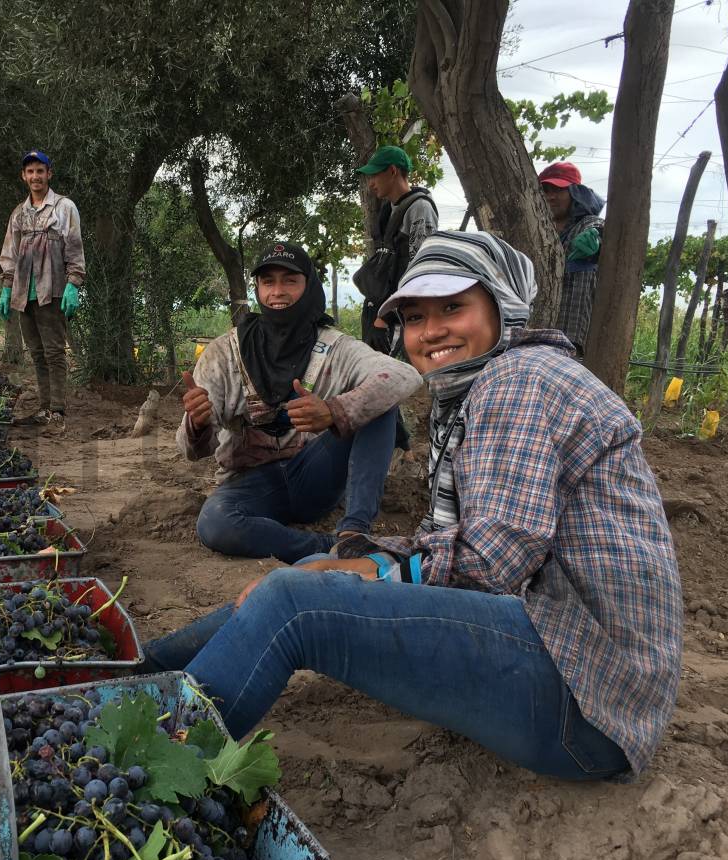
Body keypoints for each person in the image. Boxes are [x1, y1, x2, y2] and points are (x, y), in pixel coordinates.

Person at [148, 231, 683, 783]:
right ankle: (147, 667)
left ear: (502, 305)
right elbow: (457, 545)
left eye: (454, 307)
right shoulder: (483, 387)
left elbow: (491, 560)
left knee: (295, 602)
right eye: (417, 316)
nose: (432, 331)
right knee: (309, 574)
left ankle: (158, 767)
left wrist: (361, 563)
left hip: (586, 693)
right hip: (571, 667)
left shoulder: (519, 380)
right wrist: (349, 560)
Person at [180, 241, 421, 565]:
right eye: (268, 282)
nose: (277, 291)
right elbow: (193, 451)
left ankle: (354, 534)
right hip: (249, 484)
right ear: (258, 289)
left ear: (308, 286)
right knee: (215, 524)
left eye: (290, 281)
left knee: (382, 403)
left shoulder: (333, 346)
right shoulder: (225, 353)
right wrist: (195, 422)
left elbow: (404, 375)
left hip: (314, 474)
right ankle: (325, 546)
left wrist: (334, 410)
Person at [0, 149, 85, 435]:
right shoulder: (18, 214)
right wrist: (6, 289)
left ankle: (58, 413)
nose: (36, 176)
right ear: (24, 176)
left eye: (40, 171)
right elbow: (9, 253)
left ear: (49, 174)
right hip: (24, 293)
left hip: (52, 290)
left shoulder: (64, 207)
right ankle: (44, 409)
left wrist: (74, 283)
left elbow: (74, 246)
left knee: (54, 353)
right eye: (30, 171)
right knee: (36, 353)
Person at [352, 145, 438, 355]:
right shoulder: (388, 209)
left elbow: (420, 268)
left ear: (392, 171)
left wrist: (386, 317)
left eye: (375, 175)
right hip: (379, 311)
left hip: (398, 317)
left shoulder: (420, 208)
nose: (370, 184)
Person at [539, 161, 605, 355]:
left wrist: (598, 237)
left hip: (572, 338)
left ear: (575, 194)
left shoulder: (587, 225)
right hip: (536, 333)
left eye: (558, 190)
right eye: (546, 190)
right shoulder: (536, 230)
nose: (551, 197)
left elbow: (600, 230)